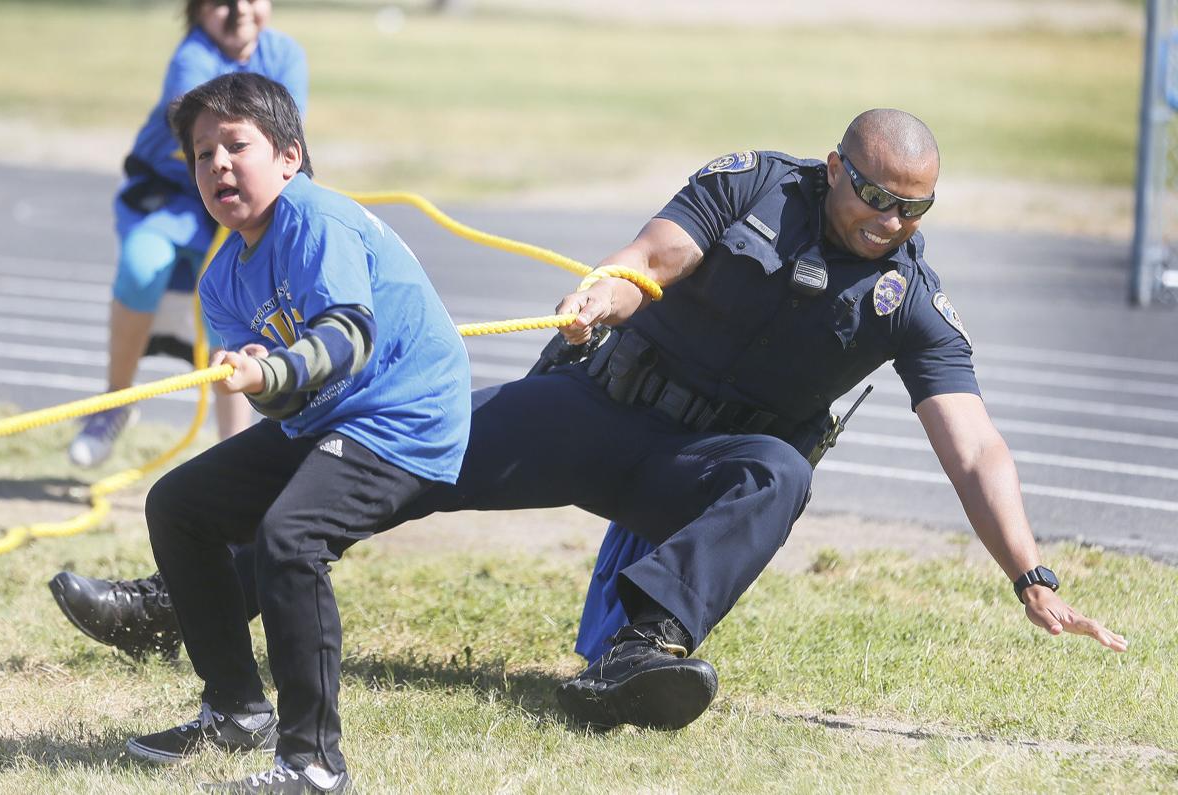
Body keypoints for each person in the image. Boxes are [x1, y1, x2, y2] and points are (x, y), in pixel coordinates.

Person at [60, 108, 1128, 741]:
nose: (893, 225)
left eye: (915, 211)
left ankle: (641, 650)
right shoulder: (752, 186)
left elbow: (973, 442)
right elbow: (654, 254)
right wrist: (610, 289)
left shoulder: (913, 300)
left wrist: (1032, 575)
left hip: (698, 469)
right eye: (879, 200)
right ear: (837, 168)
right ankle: (193, 598)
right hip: (593, 406)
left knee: (778, 473)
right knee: (395, 448)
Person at [122, 73, 469, 794]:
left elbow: (347, 336)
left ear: (289, 156)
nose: (217, 163)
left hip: (404, 418)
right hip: (326, 422)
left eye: (235, 145)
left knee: (290, 535)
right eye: (201, 153)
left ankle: (313, 761)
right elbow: (285, 400)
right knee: (178, 504)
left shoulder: (314, 217)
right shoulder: (222, 281)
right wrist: (259, 376)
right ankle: (233, 708)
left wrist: (273, 374)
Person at [67, 0, 307, 468]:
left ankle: (234, 455)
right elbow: (205, 139)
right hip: (174, 197)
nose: (240, 12)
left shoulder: (287, 55)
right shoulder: (191, 59)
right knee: (142, 266)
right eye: (222, 2)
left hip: (240, 200)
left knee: (235, 312)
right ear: (197, 11)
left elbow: (288, 136)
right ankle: (114, 403)